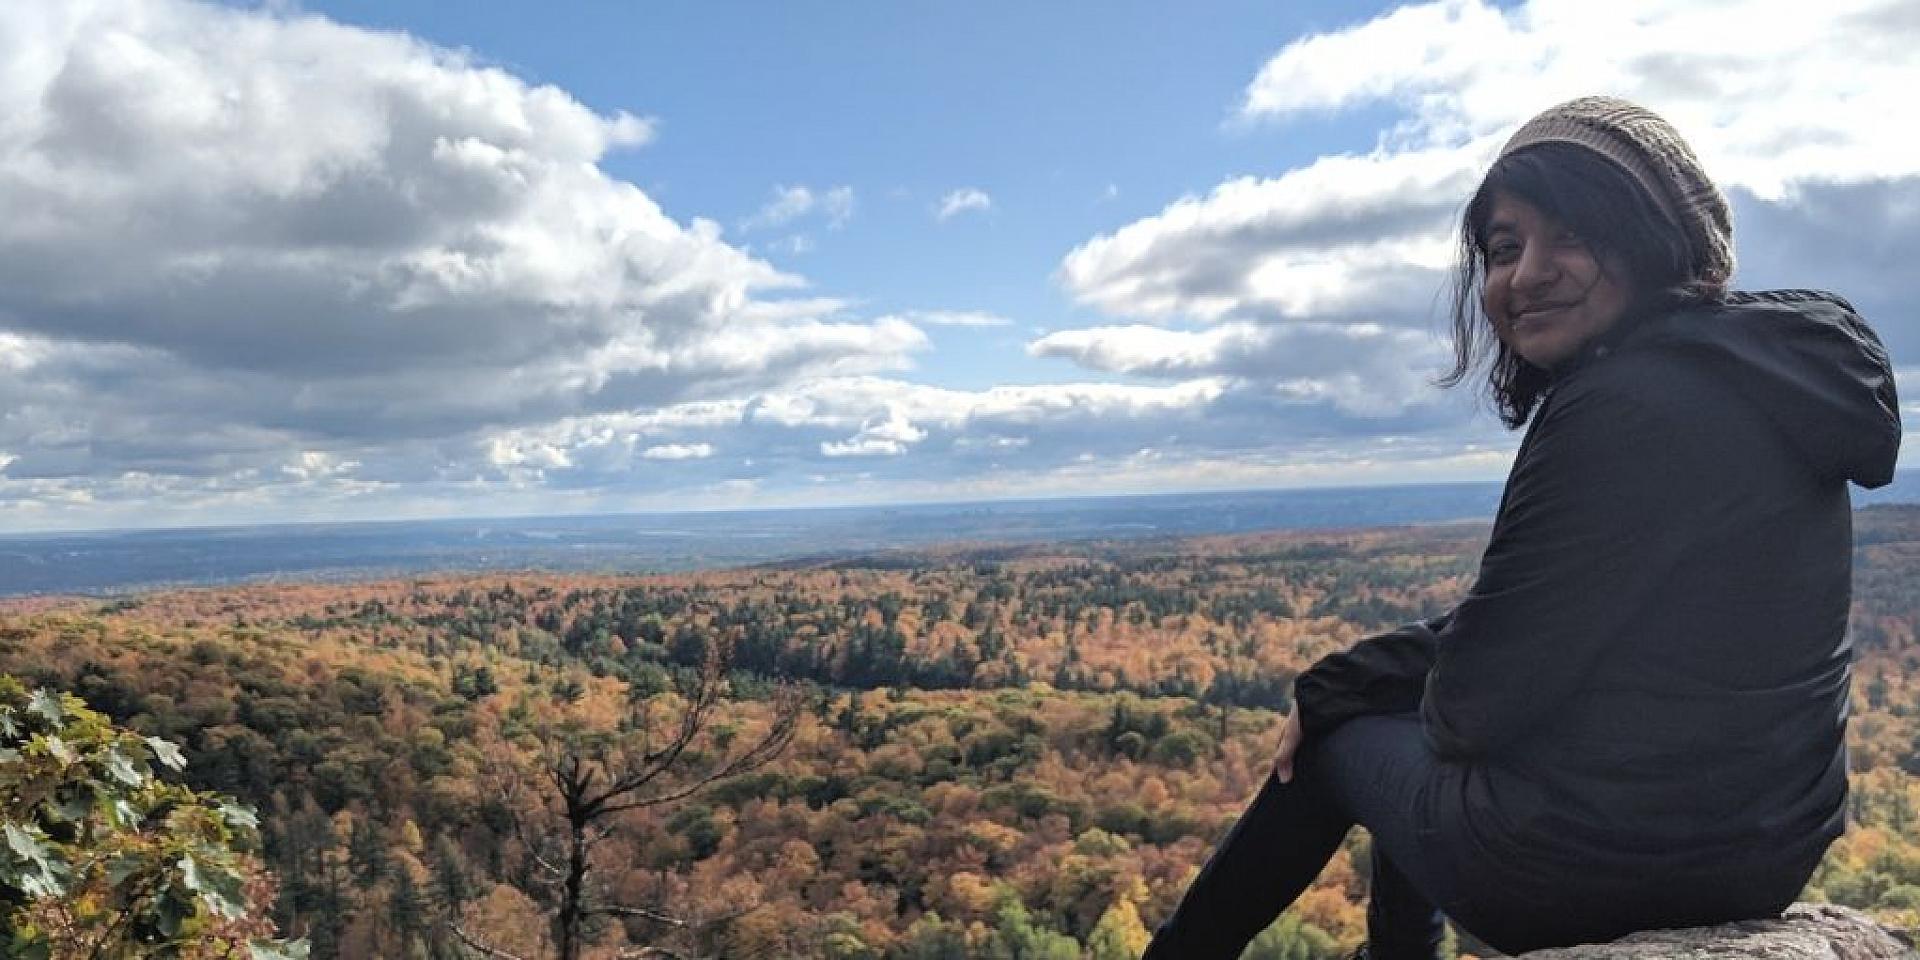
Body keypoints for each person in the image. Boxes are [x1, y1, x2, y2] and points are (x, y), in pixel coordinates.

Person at [1142, 96, 1902, 959]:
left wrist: (1338, 695)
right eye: (1505, 249)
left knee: (1338, 743)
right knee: (1383, 711)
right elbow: (1575, 616)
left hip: (1587, 872)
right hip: (1764, 855)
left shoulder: (1619, 404)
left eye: (1571, 236)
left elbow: (1470, 711)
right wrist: (1360, 673)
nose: (1525, 273)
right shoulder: (1765, 384)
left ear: (1659, 241)